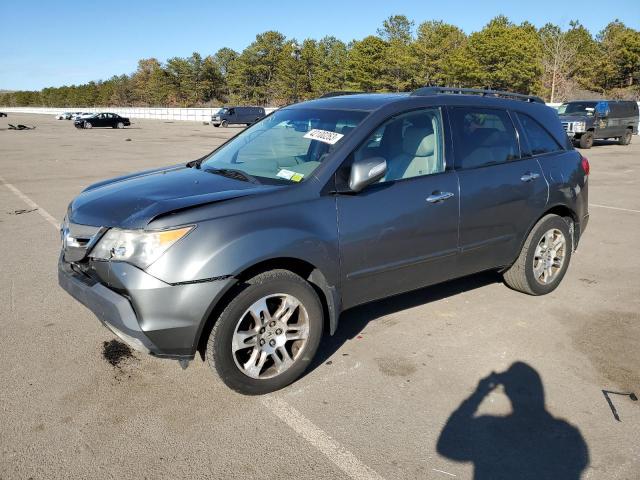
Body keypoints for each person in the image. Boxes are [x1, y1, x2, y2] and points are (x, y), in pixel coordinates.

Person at [437, 362, 589, 479]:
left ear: (508, 392)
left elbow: (445, 446)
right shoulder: (569, 435)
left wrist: (479, 394)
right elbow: (580, 464)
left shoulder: (490, 429)